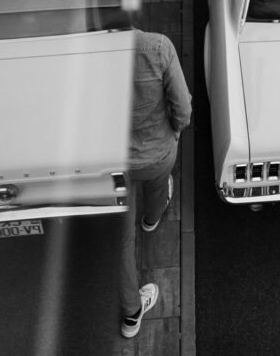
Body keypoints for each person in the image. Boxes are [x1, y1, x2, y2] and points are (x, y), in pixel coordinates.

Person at [119, 28, 192, 338]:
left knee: (120, 243)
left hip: (113, 166)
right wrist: (174, 132)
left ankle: (131, 314)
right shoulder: (158, 47)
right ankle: (151, 219)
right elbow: (183, 109)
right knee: (159, 183)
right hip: (157, 153)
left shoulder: (84, 54)